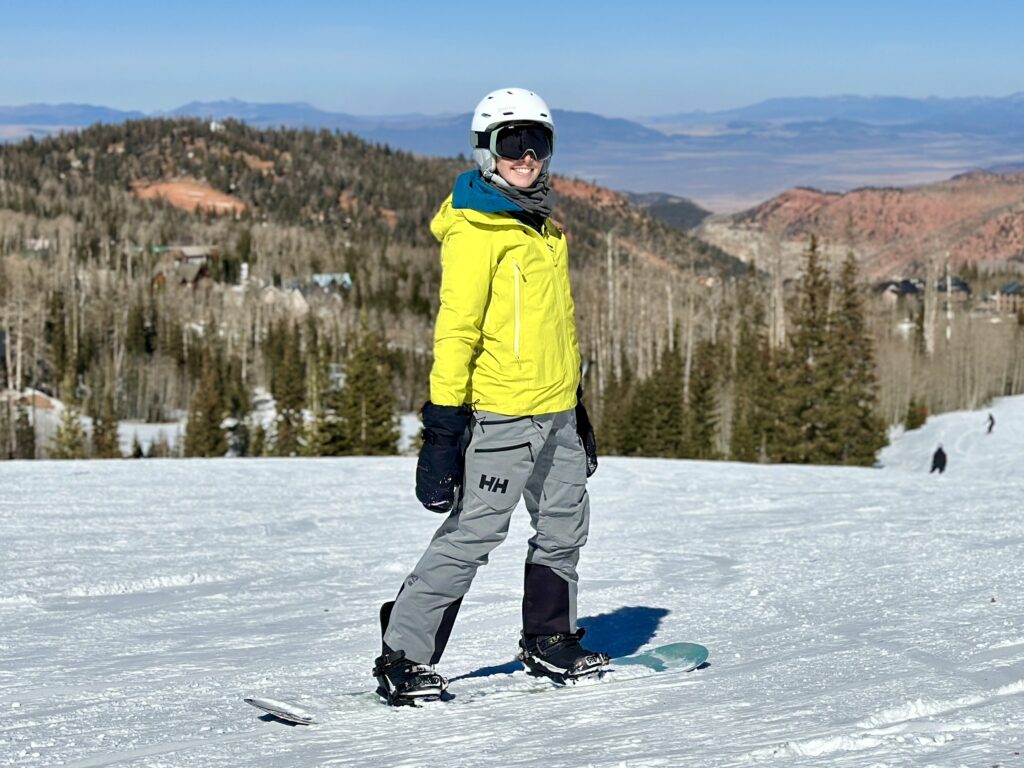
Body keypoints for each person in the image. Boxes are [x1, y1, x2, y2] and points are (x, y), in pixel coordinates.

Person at [372, 87, 607, 706]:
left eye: (539, 143)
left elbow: (554, 328)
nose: (527, 156)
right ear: (486, 153)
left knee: (564, 528)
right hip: (502, 414)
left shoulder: (540, 226)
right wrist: (443, 432)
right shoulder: (478, 231)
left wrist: (575, 406)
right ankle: (403, 655)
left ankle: (549, 638)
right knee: (474, 533)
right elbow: (457, 333)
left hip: (556, 410)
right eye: (512, 143)